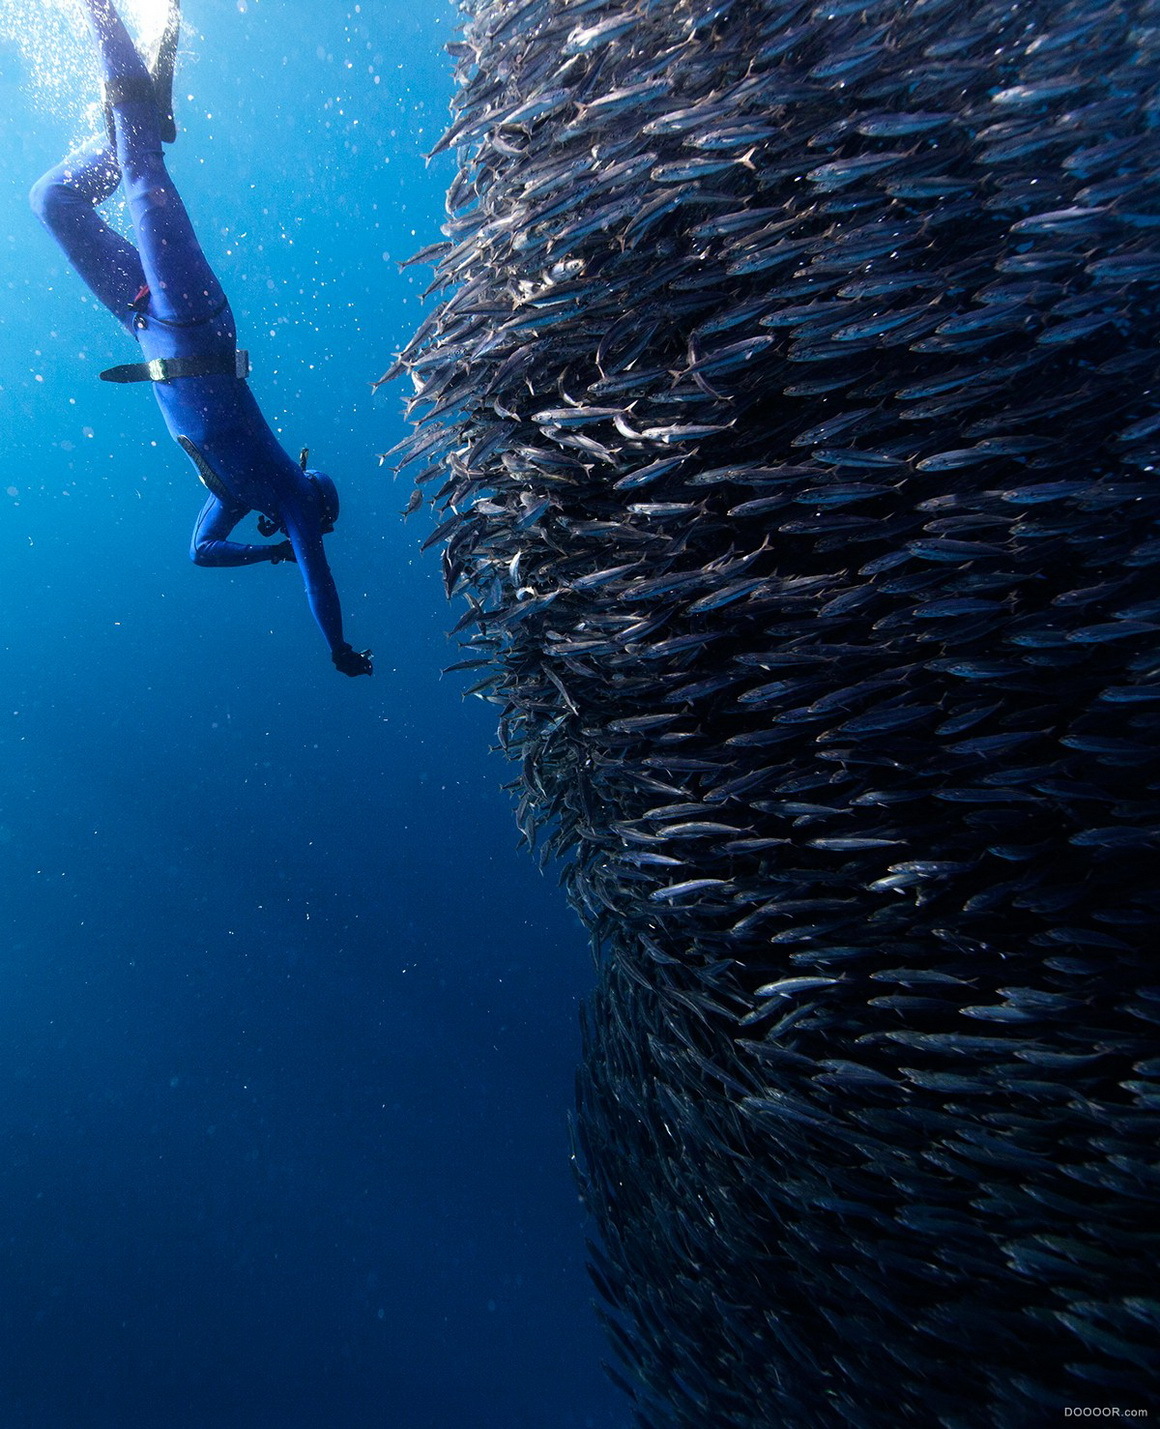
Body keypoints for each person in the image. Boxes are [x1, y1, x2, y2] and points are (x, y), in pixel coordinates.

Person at [29, 0, 372, 677]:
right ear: (313, 508)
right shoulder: (291, 494)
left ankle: (135, 123)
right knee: (142, 171)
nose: (305, 527)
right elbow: (320, 582)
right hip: (193, 322)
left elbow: (201, 552)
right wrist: (336, 645)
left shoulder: (236, 496)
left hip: (147, 327)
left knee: (54, 201)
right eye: (311, 523)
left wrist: (266, 554)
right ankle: (101, 15)